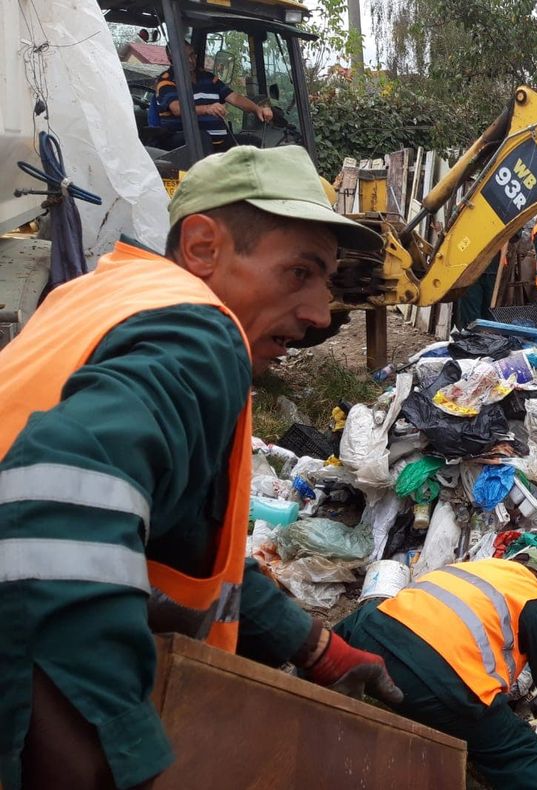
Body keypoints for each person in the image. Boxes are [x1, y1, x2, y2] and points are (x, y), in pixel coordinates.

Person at [0, 146, 403, 790]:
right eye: (298, 273)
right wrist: (109, 751)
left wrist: (313, 646)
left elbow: (181, 541)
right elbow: (58, 502)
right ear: (204, 248)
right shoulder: (201, 334)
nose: (321, 314)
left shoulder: (101, 298)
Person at [334, 549, 537, 789]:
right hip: (440, 681)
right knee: (519, 751)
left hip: (371, 640)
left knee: (364, 619)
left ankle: (302, 689)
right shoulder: (533, 597)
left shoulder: (470, 568)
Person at [155, 42, 273, 153]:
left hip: (218, 143)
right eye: (184, 57)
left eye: (192, 55)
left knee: (254, 144)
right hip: (185, 146)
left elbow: (235, 98)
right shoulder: (166, 81)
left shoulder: (208, 78)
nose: (190, 60)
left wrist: (257, 109)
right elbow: (177, 109)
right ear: (171, 60)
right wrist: (207, 108)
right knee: (202, 138)